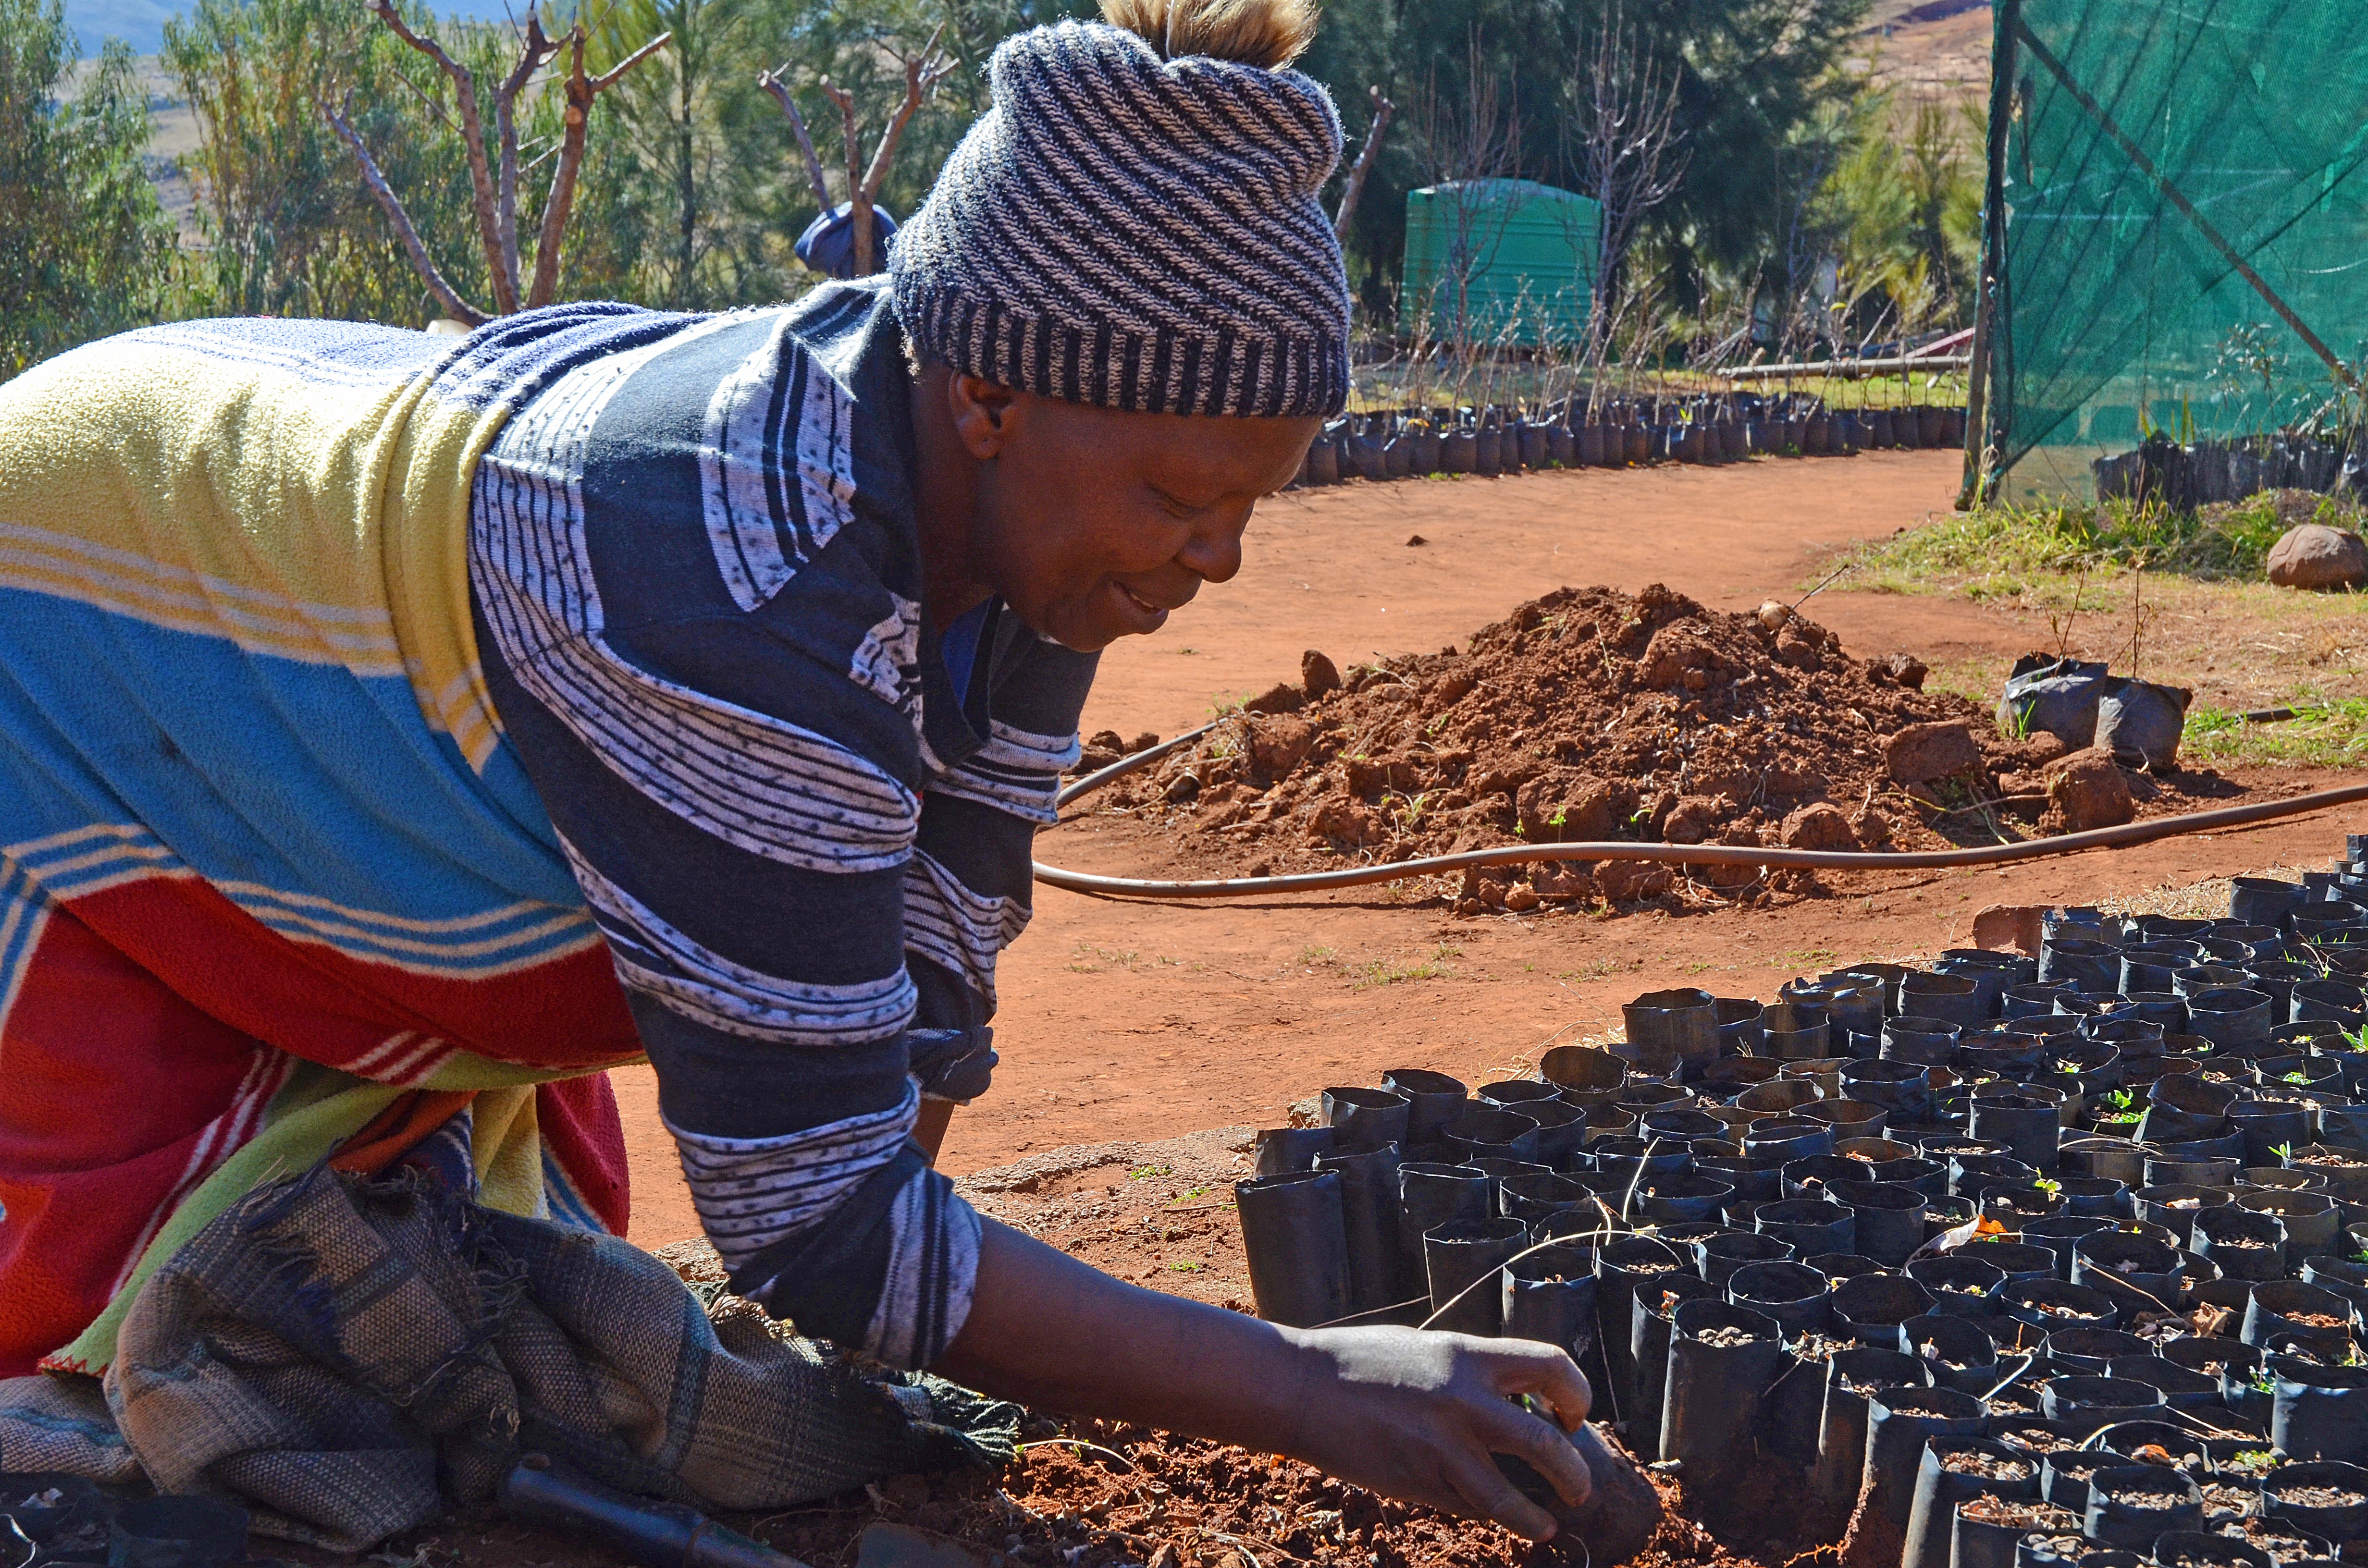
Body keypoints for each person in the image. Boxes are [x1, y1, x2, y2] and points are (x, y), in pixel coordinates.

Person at [0, 0, 1593, 1538]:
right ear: (986, 400)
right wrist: (1305, 1387)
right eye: (1186, 494)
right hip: (84, 611)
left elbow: (934, 957)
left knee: (506, 1258)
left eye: (1255, 504)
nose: (1222, 559)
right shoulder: (737, 587)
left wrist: (899, 1322)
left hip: (311, 568)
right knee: (132, 1343)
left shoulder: (1026, 526)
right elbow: (813, 1221)